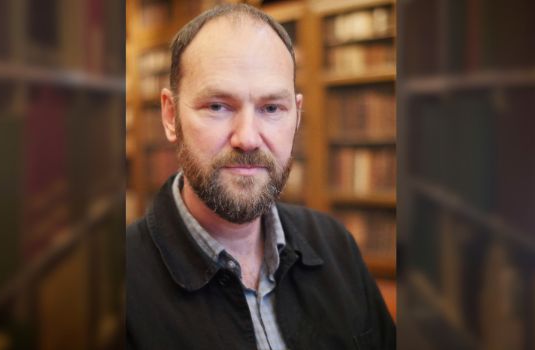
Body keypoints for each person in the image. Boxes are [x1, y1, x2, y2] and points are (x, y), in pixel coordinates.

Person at [126, 4, 396, 349]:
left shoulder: (336, 244)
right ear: (169, 115)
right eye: (217, 106)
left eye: (271, 108)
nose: (248, 138)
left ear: (296, 116)